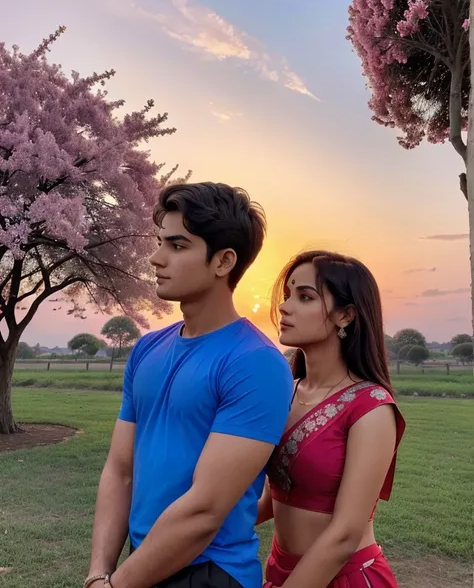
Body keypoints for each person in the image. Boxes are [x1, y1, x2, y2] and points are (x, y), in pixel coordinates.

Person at [84, 182, 293, 588]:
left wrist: (117, 586)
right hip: (136, 566)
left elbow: (204, 511)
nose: (156, 258)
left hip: (210, 572)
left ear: (223, 261)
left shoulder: (256, 363)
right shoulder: (147, 349)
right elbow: (120, 469)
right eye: (160, 242)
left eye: (177, 246)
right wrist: (99, 574)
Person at [258, 250, 405, 588]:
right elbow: (270, 501)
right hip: (280, 574)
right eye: (287, 295)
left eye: (305, 296)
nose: (284, 307)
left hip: (345, 578)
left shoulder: (371, 407)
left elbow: (344, 535)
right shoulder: (284, 393)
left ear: (345, 315)